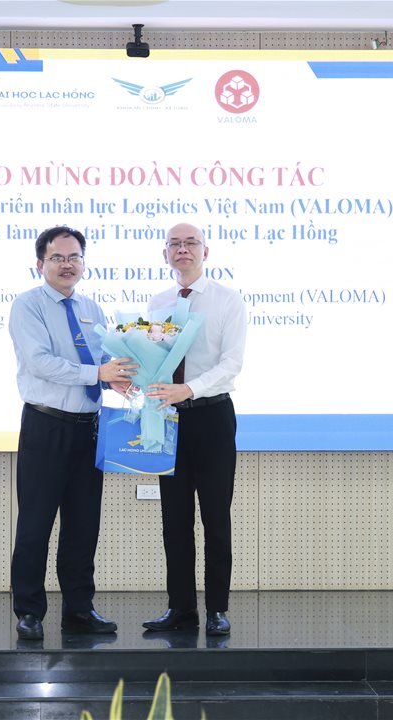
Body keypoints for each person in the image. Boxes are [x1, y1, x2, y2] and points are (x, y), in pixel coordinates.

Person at [7, 225, 136, 641]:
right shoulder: (28, 306)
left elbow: (104, 361)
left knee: (83, 525)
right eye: (58, 258)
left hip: (89, 429)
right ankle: (29, 611)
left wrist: (126, 375)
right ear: (40, 263)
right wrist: (98, 373)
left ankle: (80, 609)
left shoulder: (91, 308)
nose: (67, 265)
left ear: (83, 262)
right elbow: (40, 362)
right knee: (35, 524)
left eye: (74, 257)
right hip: (46, 426)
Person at [141, 221, 247, 637]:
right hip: (169, 419)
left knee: (216, 518)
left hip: (212, 417)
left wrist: (189, 388)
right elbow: (154, 359)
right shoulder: (159, 302)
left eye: (191, 243)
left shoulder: (227, 300)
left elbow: (231, 364)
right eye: (175, 244)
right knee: (174, 520)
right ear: (165, 254)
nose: (182, 249)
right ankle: (180, 608)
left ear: (206, 251)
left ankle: (217, 608)